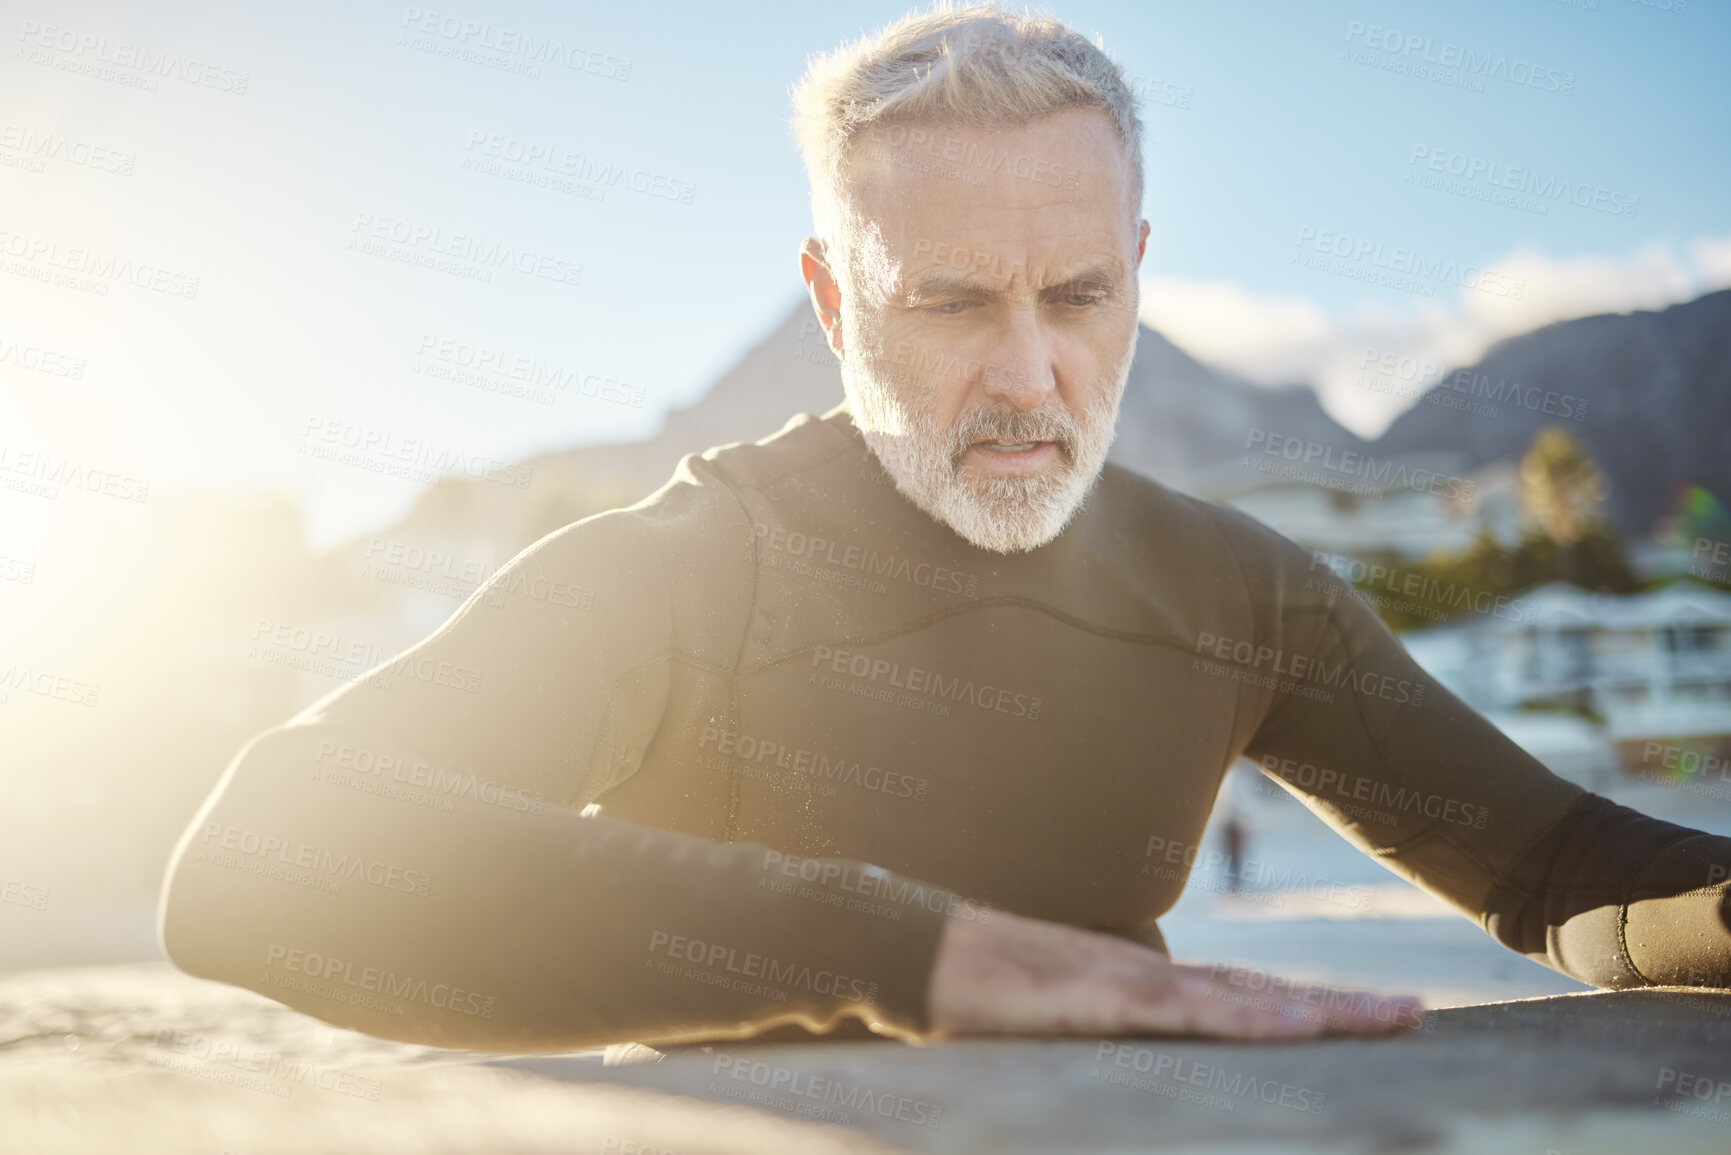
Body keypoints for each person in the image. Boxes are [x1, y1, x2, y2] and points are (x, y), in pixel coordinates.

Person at [159, 5, 1731, 1055]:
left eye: (1080, 297)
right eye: (953, 303)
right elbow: (263, 862)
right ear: (836, 301)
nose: (1029, 376)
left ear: (1138, 266)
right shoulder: (694, 566)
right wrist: (895, 947)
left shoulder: (1236, 588)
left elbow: (1557, 870)